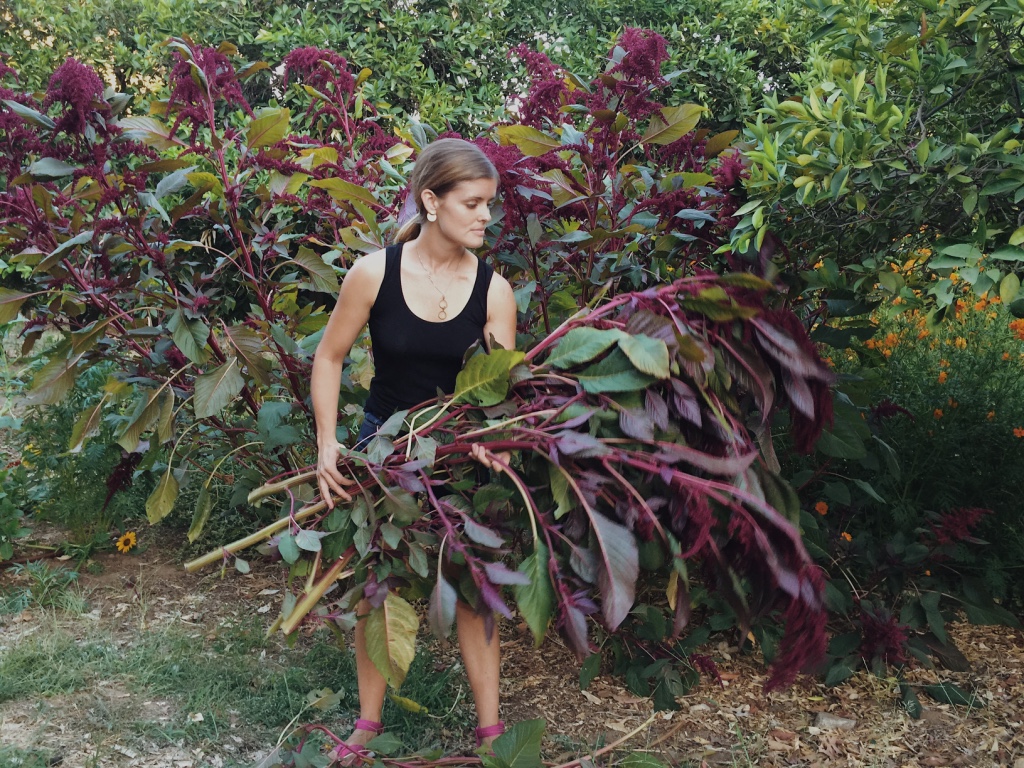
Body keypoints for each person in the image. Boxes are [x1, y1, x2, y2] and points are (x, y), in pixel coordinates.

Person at [310, 137, 517, 764]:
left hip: (455, 453)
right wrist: (328, 443)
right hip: (383, 447)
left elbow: (500, 390)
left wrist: (489, 440)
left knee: (474, 584)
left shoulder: (494, 290)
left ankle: (490, 734)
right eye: (474, 203)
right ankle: (367, 725)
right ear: (432, 200)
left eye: (490, 205)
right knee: (380, 582)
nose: (486, 216)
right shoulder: (376, 272)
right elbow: (329, 357)